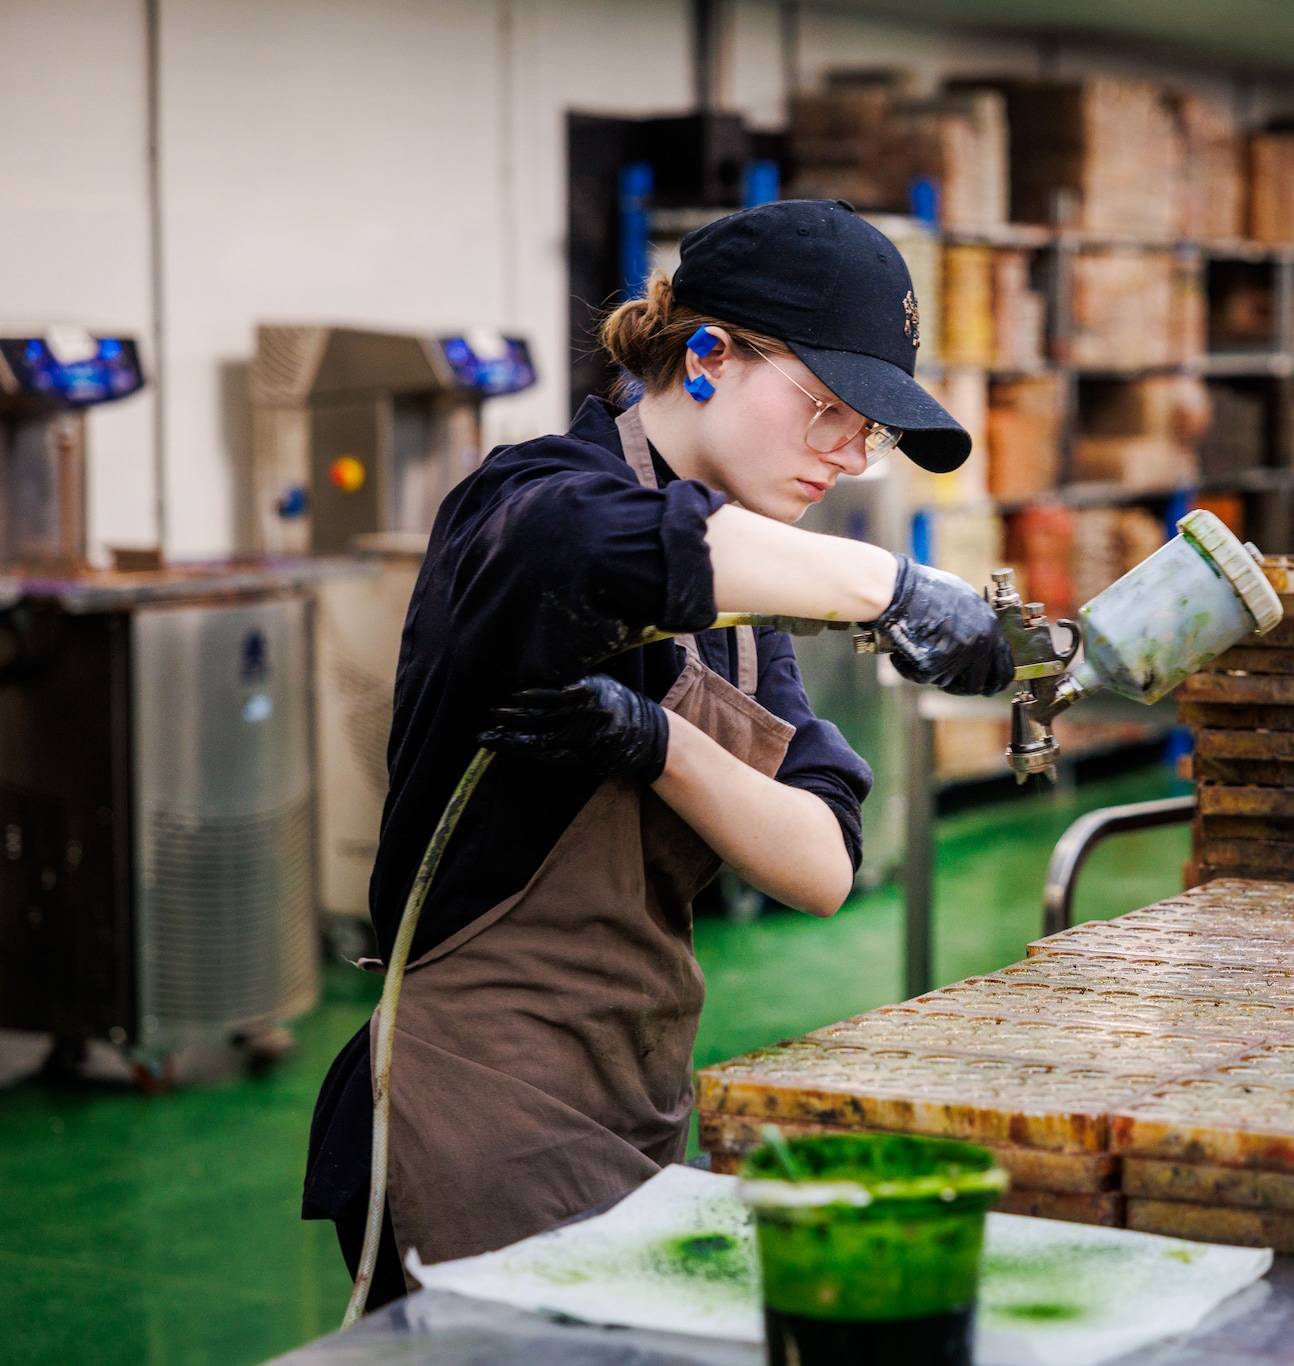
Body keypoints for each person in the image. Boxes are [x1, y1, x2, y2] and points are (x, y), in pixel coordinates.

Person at [302, 200, 1014, 1308]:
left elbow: (820, 859)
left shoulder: (744, 613)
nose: (845, 448)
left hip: (633, 1097)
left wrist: (660, 742)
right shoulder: (522, 497)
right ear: (705, 355)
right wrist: (892, 587)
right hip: (473, 1103)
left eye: (867, 431)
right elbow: (583, 543)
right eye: (828, 405)